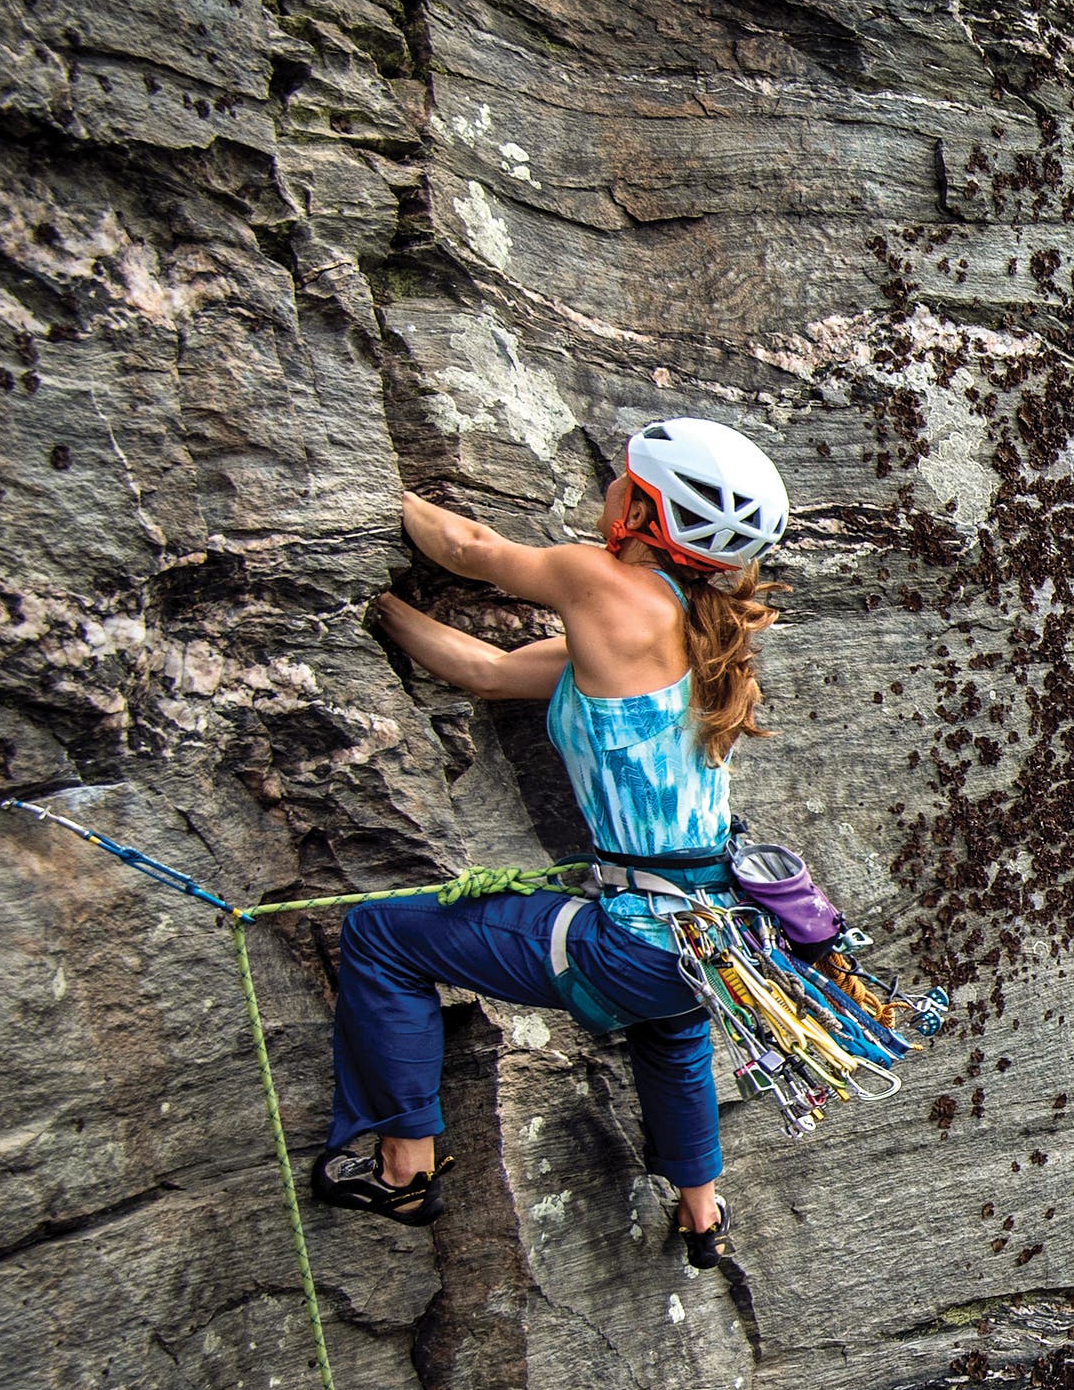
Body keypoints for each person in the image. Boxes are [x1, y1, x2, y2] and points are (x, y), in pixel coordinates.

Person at [314, 419, 791, 1268]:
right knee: (673, 1027)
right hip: (713, 936)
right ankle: (702, 1213)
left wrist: (353, 488)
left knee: (380, 936)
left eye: (624, 479)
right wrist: (380, 609)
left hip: (634, 941)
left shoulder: (599, 582)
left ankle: (402, 1168)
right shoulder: (700, 634)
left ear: (642, 508)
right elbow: (489, 673)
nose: (609, 485)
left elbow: (469, 546)